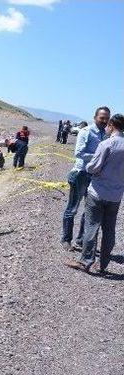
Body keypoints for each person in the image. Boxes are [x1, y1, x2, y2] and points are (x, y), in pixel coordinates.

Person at [65, 114, 124, 274]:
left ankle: (86, 262)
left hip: (98, 192)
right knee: (110, 229)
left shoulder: (106, 144)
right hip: (116, 195)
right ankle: (103, 264)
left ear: (111, 125)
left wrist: (93, 166)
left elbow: (93, 168)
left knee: (92, 227)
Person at [60, 106, 110, 251]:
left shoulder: (107, 135)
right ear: (95, 117)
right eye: (102, 118)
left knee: (89, 211)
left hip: (95, 176)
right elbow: (79, 153)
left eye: (107, 118)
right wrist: (98, 157)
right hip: (81, 174)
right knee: (72, 209)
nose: (104, 121)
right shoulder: (86, 131)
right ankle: (66, 239)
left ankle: (80, 240)